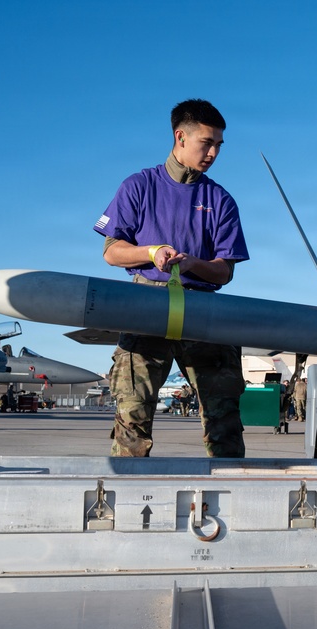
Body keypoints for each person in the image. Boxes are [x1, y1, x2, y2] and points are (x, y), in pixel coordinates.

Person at [93, 99, 248, 458]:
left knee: (223, 417)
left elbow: (224, 270)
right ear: (180, 136)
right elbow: (112, 251)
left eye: (218, 146)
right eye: (205, 143)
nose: (213, 153)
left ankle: (229, 496)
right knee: (132, 413)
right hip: (146, 305)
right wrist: (150, 252)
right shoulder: (138, 186)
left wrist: (192, 263)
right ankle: (127, 497)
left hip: (203, 309)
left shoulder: (221, 200)